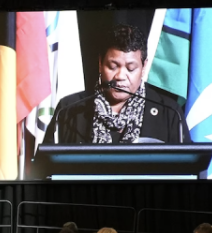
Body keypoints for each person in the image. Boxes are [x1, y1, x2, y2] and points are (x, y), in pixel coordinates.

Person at [33, 24, 188, 159]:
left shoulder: (169, 113)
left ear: (144, 66)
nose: (120, 76)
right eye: (113, 66)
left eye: (131, 68)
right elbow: (45, 168)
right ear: (100, 63)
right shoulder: (70, 109)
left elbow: (188, 169)